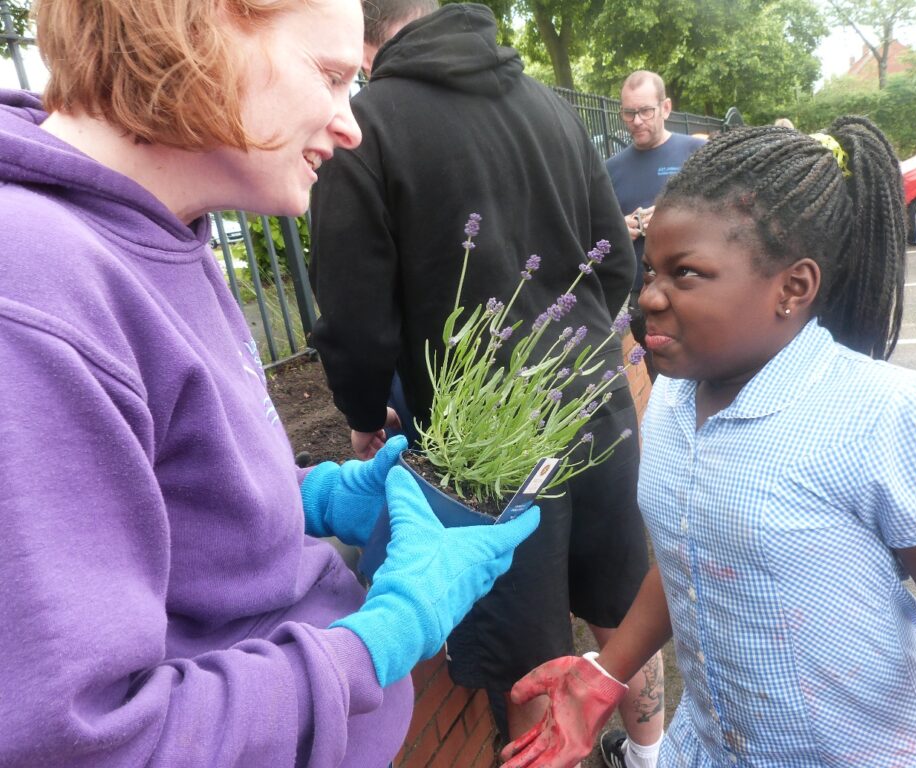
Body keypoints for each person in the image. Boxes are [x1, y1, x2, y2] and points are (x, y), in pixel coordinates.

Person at [0, 1, 540, 765]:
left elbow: (162, 498)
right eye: (330, 75)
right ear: (197, 28)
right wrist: (379, 640)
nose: (351, 127)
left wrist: (312, 496)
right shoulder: (33, 292)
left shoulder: (163, 229)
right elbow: (87, 744)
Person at [499, 117, 916, 767]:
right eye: (651, 270)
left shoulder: (889, 418)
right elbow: (691, 554)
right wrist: (607, 672)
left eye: (685, 274)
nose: (649, 297)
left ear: (793, 288)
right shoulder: (672, 401)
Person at [308, 1, 665, 761]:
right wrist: (576, 353)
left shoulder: (364, 129)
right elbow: (614, 260)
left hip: (483, 450)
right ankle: (651, 755)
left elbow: (354, 313)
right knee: (620, 604)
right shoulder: (550, 106)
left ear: (363, 33)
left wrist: (365, 414)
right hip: (593, 403)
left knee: (526, 654)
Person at [606, 71, 705, 382]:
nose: (636, 121)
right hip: (643, 296)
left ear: (666, 108)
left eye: (645, 111)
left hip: (694, 288)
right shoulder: (610, 169)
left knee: (706, 376)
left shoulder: (697, 153)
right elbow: (595, 232)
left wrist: (673, 217)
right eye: (629, 113)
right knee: (662, 382)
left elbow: (727, 216)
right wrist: (618, 228)